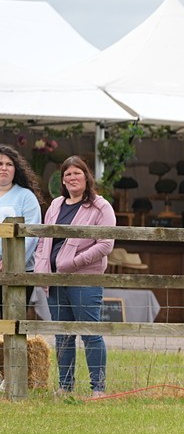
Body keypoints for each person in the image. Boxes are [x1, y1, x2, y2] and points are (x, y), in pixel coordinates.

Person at [34, 157, 115, 397]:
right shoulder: (56, 205)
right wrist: (42, 265)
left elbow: (105, 244)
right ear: (62, 180)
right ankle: (65, 387)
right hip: (55, 280)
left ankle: (97, 389)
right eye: (67, 174)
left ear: (87, 176)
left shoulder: (101, 206)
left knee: (90, 333)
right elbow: (43, 239)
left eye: (77, 173)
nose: (72, 178)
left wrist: (73, 263)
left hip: (84, 280)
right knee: (63, 334)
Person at [0, 144, 44, 299]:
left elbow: (32, 234)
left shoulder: (26, 197)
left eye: (9, 164)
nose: (4, 168)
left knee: (11, 319)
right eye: (0, 164)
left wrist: (9, 261)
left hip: (19, 269)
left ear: (15, 169)